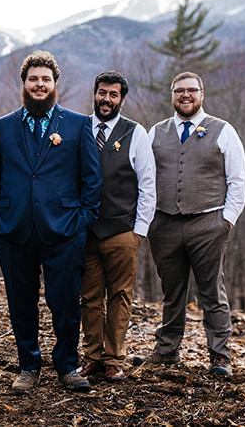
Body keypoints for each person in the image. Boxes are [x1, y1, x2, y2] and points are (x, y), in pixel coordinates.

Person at [0, 51, 101, 393]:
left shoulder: (79, 125)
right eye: (33, 79)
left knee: (65, 302)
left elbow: (91, 181)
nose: (39, 84)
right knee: (21, 302)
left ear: (55, 85)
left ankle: (67, 365)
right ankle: (28, 366)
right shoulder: (2, 127)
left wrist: (81, 220)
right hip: (13, 230)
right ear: (24, 84)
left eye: (45, 79)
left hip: (64, 230)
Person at [136, 72, 245, 377]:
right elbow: (143, 179)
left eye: (191, 90)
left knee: (211, 291)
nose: (185, 95)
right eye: (179, 91)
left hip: (208, 222)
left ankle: (220, 355)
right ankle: (167, 349)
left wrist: (226, 220)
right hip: (165, 223)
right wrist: (148, 220)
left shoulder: (223, 130)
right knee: (172, 291)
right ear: (172, 95)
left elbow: (237, 180)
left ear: (202, 94)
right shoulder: (155, 133)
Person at [79, 71, 156, 383]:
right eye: (101, 93)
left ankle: (114, 359)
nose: (106, 99)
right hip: (84, 231)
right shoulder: (81, 128)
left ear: (122, 99)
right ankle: (91, 357)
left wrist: (139, 231)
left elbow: (148, 185)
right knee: (89, 297)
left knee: (120, 295)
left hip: (122, 230)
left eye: (113, 95)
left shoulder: (135, 132)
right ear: (94, 94)